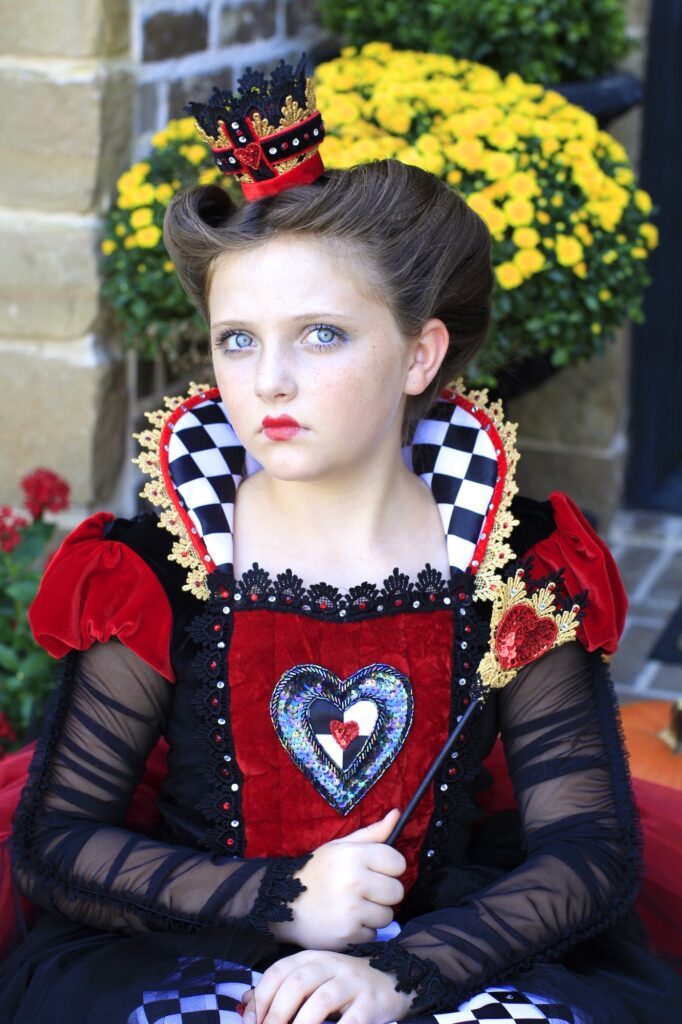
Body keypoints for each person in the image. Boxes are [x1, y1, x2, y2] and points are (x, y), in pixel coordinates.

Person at [0, 54, 680, 1024]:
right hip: (195, 940)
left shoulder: (514, 565)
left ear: (418, 353)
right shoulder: (160, 566)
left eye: (320, 333)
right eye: (238, 337)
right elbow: (60, 840)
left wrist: (403, 970)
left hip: (450, 947)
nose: (267, 380)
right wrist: (283, 899)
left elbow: (587, 850)